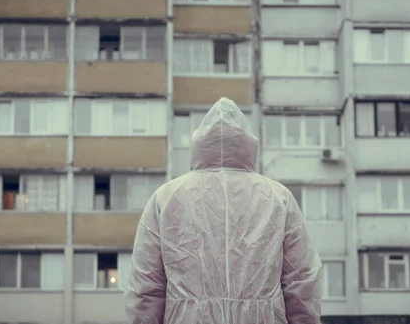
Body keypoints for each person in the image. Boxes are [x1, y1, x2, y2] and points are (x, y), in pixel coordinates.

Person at [124, 97, 323, 324]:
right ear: (247, 144)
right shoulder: (279, 198)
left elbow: (146, 288)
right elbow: (302, 282)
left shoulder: (166, 197)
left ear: (199, 144)